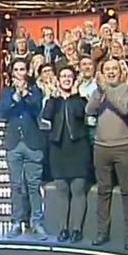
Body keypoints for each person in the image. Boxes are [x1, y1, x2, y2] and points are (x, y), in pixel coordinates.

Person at [86, 59, 128, 249]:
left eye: (114, 68)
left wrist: (107, 90)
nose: (111, 72)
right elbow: (89, 110)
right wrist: (100, 92)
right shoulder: (99, 91)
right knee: (103, 191)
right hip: (101, 148)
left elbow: (125, 108)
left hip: (124, 147)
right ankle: (102, 232)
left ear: (120, 71)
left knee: (127, 191)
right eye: (107, 69)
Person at [0, 59, 49, 240]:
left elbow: (37, 109)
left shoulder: (36, 91)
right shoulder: (6, 93)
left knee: (34, 185)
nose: (20, 73)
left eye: (22, 69)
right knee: (16, 186)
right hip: (13, 143)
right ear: (12, 73)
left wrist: (25, 94)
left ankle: (37, 222)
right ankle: (16, 222)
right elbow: (3, 112)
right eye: (16, 70)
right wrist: (16, 97)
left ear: (27, 72)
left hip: (33, 144)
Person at [41, 65, 90, 243]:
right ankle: (63, 229)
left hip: (78, 149)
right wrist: (53, 96)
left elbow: (80, 113)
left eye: (70, 76)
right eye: (63, 76)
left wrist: (75, 95)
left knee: (78, 189)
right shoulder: (53, 101)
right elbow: (47, 115)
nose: (67, 79)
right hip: (58, 149)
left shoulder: (81, 100)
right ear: (58, 79)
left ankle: (76, 229)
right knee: (62, 189)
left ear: (74, 80)